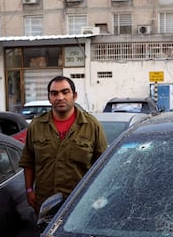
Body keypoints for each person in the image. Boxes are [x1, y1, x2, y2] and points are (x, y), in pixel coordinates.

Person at [19, 76, 107, 211]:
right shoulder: (36, 126)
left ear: (74, 96)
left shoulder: (91, 125)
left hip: (80, 203)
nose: (60, 97)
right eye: (54, 93)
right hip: (45, 202)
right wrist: (29, 189)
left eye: (65, 92)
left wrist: (98, 196)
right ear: (49, 98)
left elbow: (103, 166)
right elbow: (28, 161)